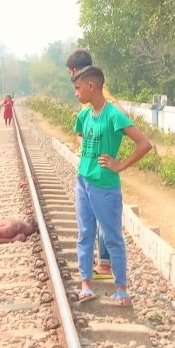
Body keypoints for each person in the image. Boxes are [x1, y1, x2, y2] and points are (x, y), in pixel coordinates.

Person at [72, 66, 152, 306]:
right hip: (83, 181)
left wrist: (120, 164)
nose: (76, 94)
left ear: (91, 86)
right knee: (85, 233)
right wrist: (85, 148)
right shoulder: (84, 116)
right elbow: (78, 135)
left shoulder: (114, 115)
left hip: (105, 186)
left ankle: (121, 288)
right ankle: (86, 283)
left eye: (78, 88)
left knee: (112, 237)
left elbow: (144, 143)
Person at [66, 49, 118, 279]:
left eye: (72, 75)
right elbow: (83, 132)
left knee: (103, 219)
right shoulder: (91, 97)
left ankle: (105, 264)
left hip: (103, 171)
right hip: (91, 169)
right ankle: (102, 263)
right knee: (96, 219)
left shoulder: (103, 99)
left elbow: (120, 125)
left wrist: (118, 162)